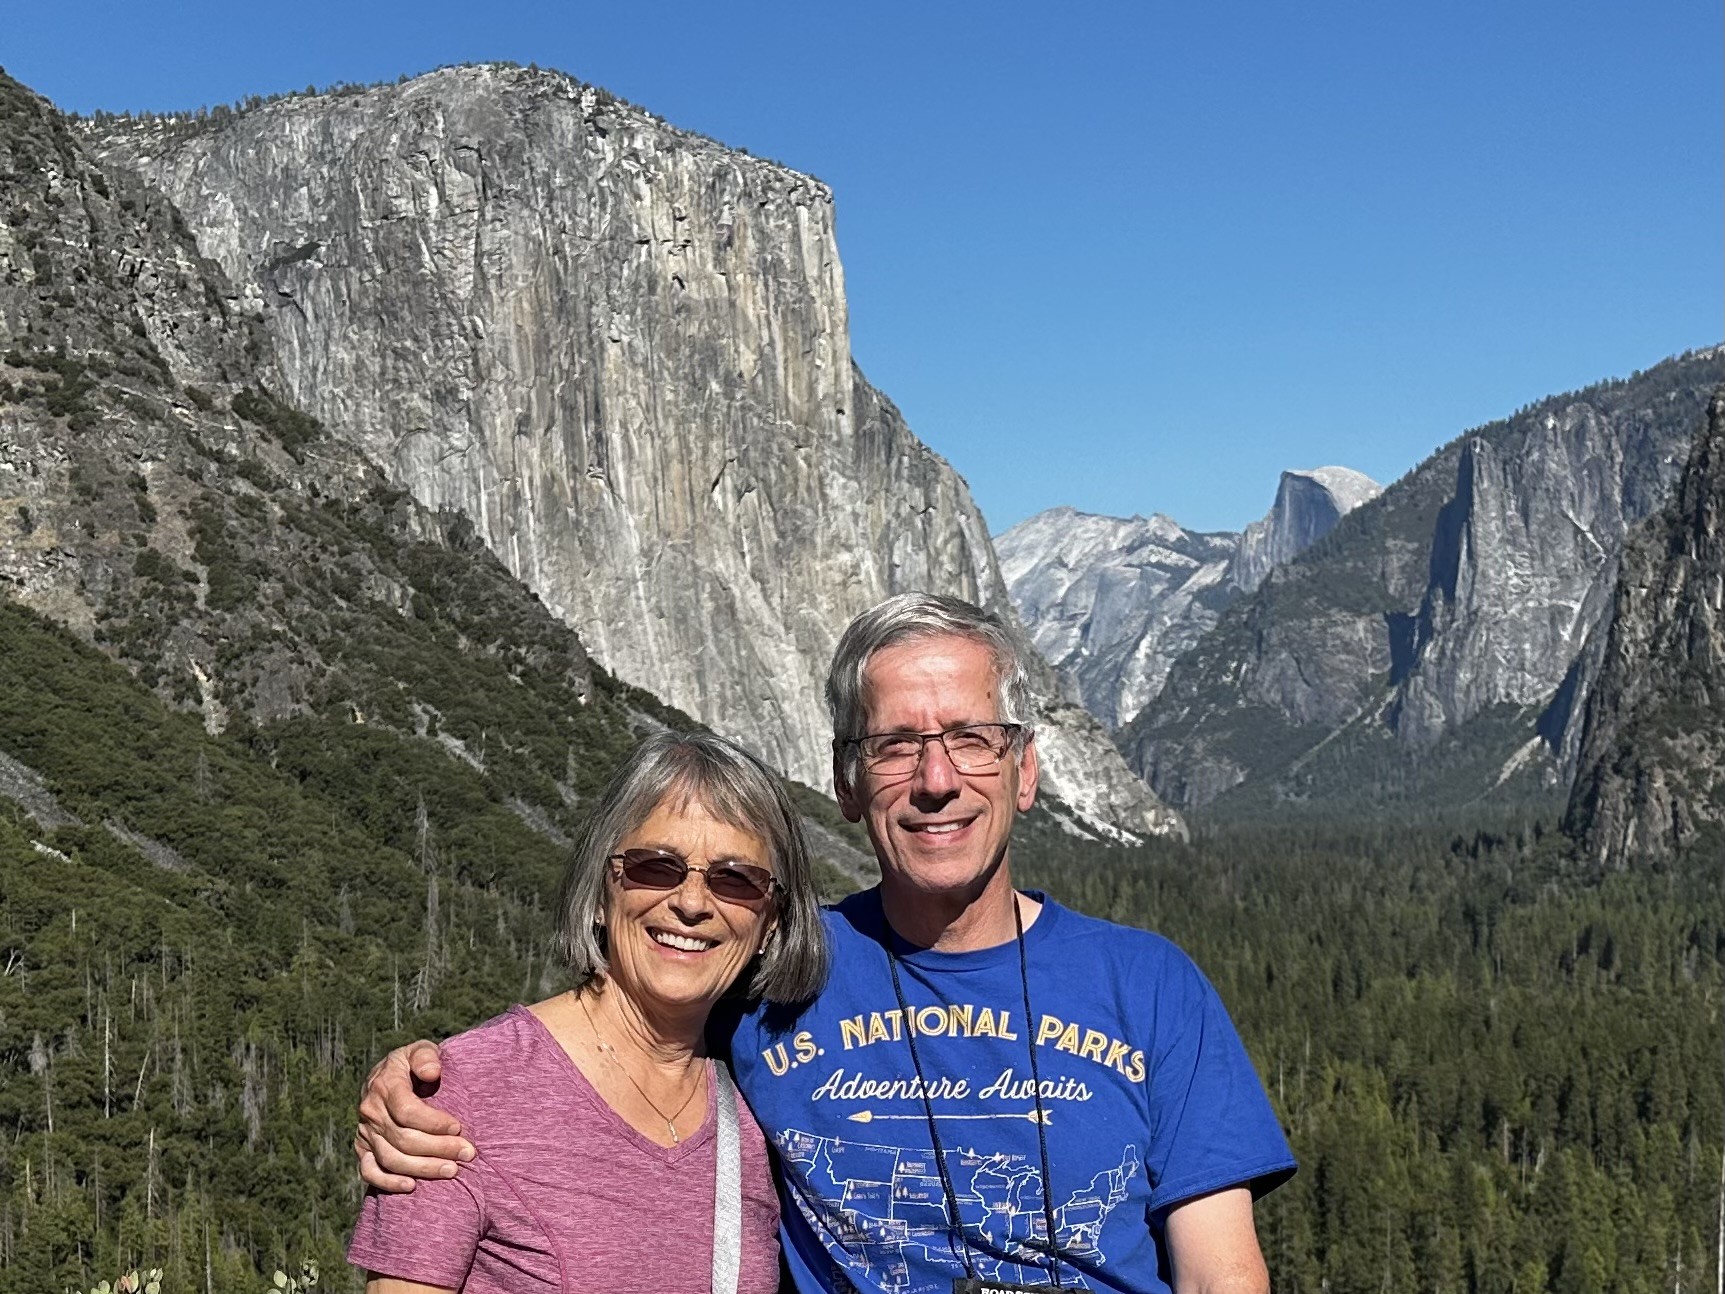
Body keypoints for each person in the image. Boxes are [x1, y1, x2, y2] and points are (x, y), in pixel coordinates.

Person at [358, 594, 1295, 1294]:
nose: (935, 780)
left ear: (1024, 772)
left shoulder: (1151, 987)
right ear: (848, 783)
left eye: (970, 739)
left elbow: (1222, 1274)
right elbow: (621, 1023)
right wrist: (433, 1080)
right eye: (895, 746)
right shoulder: (780, 972)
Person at [347, 730, 828, 1293]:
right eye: (657, 866)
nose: (692, 904)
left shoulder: (765, 1101)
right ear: (602, 890)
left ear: (771, 922)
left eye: (736, 879)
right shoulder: (461, 1098)